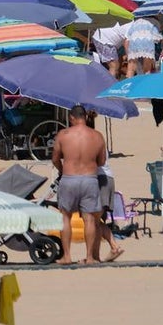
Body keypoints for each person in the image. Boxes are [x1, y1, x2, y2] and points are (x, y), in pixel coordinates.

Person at [52, 105, 107, 264]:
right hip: (90, 179)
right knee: (89, 219)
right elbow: (101, 162)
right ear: (85, 117)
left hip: (69, 178)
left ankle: (67, 256)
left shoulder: (63, 135)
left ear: (71, 118)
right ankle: (90, 257)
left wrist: (62, 169)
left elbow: (55, 159)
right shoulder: (97, 136)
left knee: (65, 217)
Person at [85, 111, 124, 262]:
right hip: (106, 179)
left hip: (101, 180)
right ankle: (95, 256)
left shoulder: (91, 141)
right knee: (96, 221)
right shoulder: (97, 137)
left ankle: (114, 246)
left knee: (92, 220)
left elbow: (95, 162)